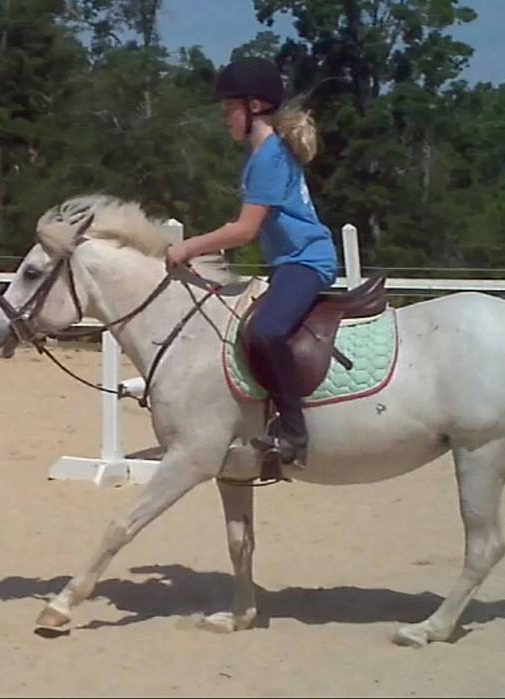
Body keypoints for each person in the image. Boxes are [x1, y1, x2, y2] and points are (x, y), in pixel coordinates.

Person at [164, 57, 338, 467]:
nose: (225, 117)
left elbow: (244, 230)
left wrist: (189, 247)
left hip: (307, 261)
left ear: (255, 106)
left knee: (266, 330)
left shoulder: (270, 157)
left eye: (230, 108)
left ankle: (294, 432)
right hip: (289, 262)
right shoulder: (262, 155)